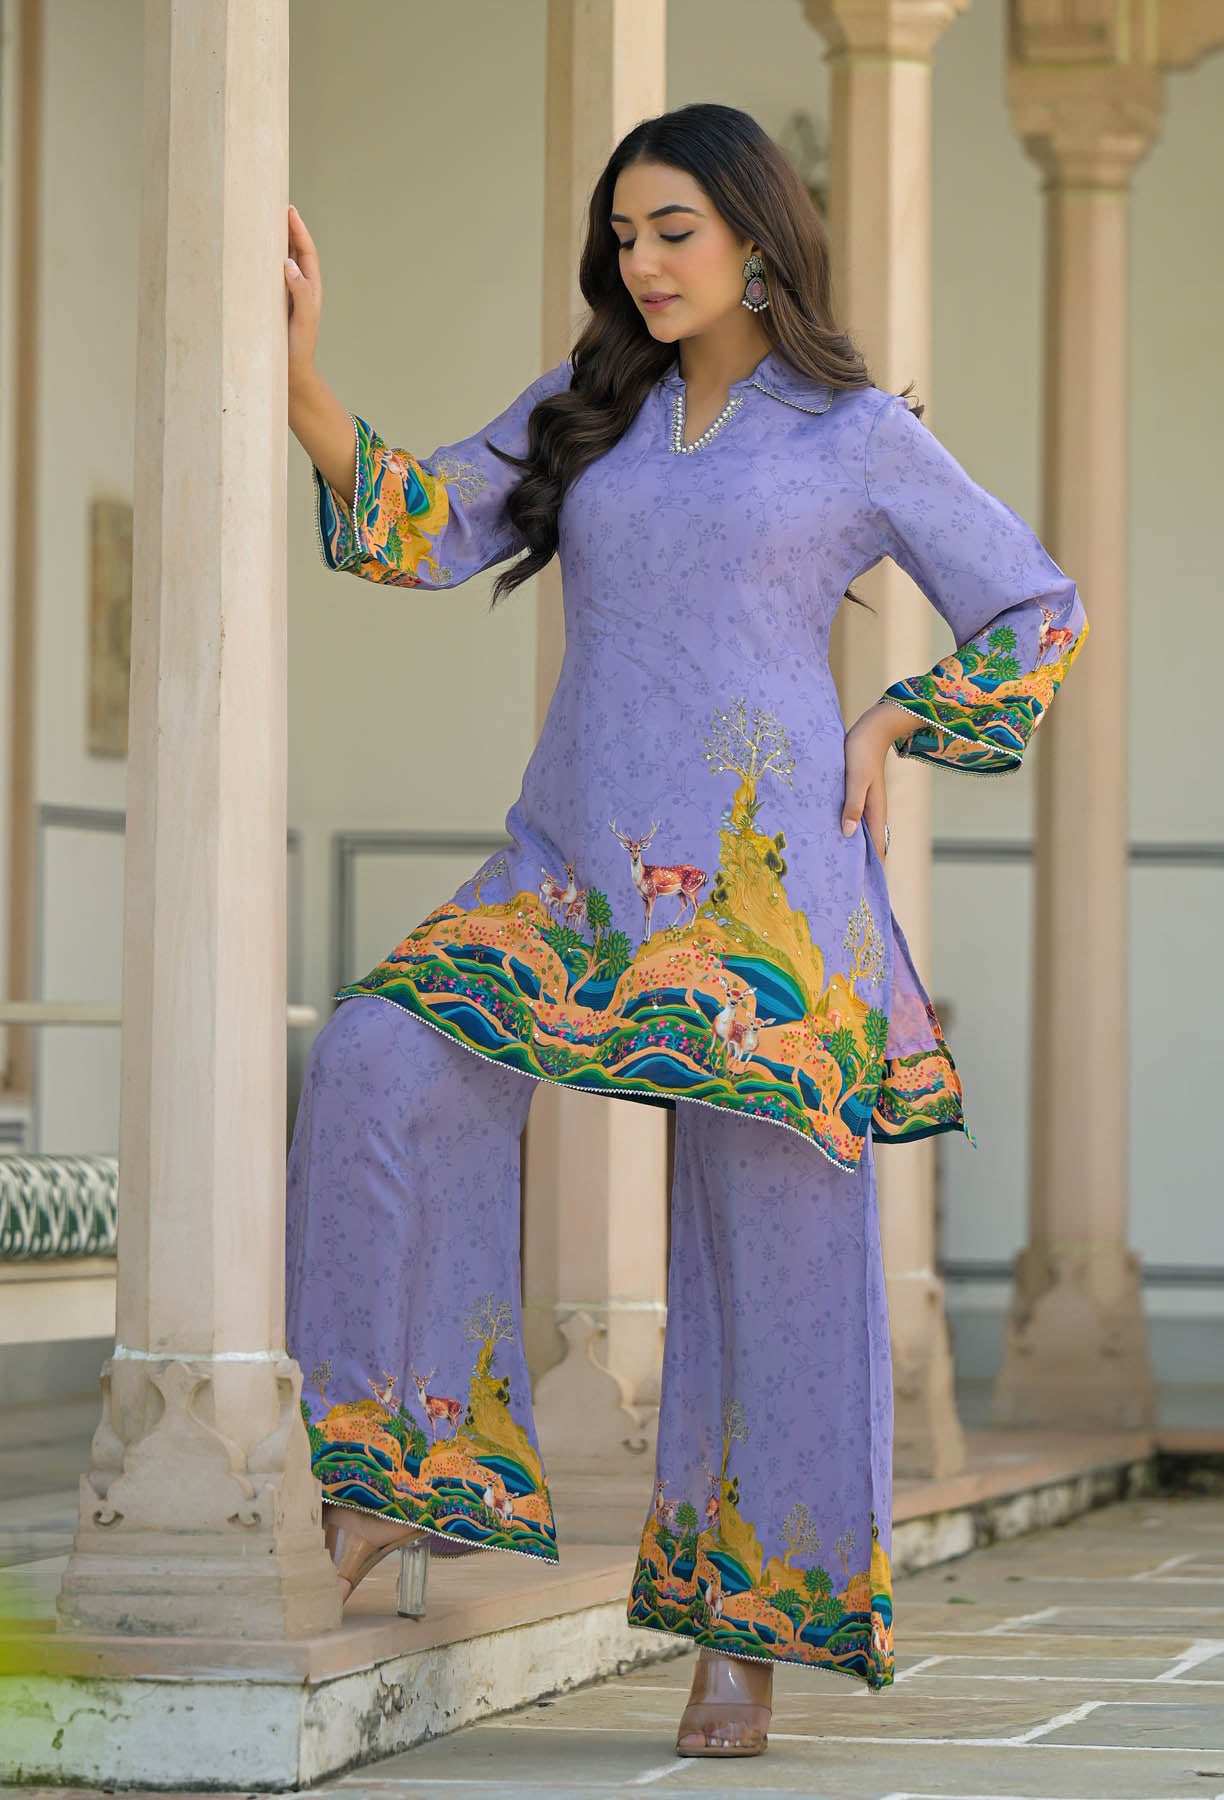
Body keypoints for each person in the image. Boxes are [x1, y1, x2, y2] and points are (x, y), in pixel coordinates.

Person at [282, 102, 1088, 1759]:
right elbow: (425, 523)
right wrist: (300, 375)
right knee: (380, 1057)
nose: (643, 264)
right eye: (624, 236)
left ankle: (748, 1631)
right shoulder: (591, 409)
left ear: (756, 239)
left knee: (774, 1261)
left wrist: (898, 721)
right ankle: (404, 1469)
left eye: (674, 231)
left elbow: (1035, 604)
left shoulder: (853, 435)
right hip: (569, 874)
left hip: (768, 901)